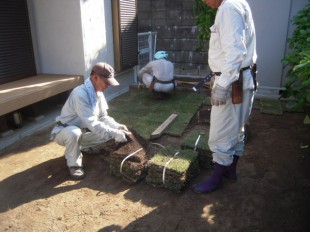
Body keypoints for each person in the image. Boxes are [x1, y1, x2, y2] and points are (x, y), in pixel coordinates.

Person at [193, 0, 257, 193]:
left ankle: (216, 179)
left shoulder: (229, 8)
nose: (204, 1)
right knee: (237, 128)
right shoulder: (236, 3)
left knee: (221, 132)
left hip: (232, 83)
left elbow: (235, 52)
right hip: (241, 79)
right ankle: (231, 171)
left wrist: (221, 85)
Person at [50, 62, 130, 180]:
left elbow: (103, 117)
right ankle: (74, 165)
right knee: (74, 132)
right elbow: (92, 122)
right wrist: (114, 132)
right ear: (95, 77)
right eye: (106, 82)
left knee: (109, 135)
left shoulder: (98, 93)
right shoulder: (80, 94)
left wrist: (117, 127)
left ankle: (83, 147)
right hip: (64, 131)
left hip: (85, 131)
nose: (108, 85)